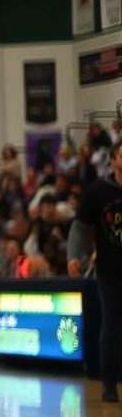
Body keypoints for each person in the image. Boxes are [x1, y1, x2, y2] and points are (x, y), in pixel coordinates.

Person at [69, 137, 122, 402]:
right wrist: (73, 257)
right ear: (114, 160)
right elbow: (79, 228)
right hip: (110, 272)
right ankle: (109, 384)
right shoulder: (98, 191)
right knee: (111, 324)